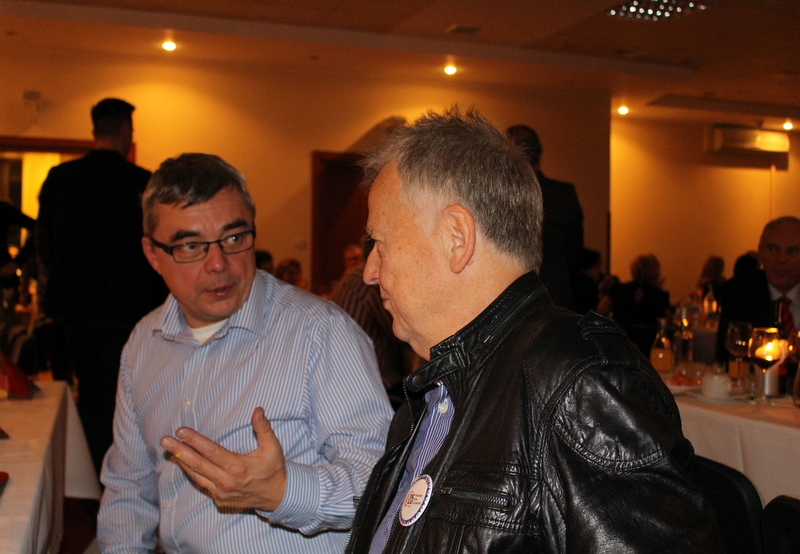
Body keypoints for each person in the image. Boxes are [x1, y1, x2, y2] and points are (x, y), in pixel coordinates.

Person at [345, 107, 721, 552]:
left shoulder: (577, 384)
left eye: (380, 242)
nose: (369, 271)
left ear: (456, 238)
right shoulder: (433, 392)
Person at [97, 153, 393, 553]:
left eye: (234, 238)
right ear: (152, 254)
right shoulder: (144, 343)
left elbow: (381, 486)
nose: (219, 264)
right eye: (190, 246)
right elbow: (129, 488)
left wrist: (284, 491)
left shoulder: (320, 332)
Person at [36, 97, 166, 473]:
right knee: (131, 395)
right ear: (126, 131)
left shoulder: (60, 179)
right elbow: (157, 249)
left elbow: (45, 243)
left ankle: (94, 477)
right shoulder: (142, 182)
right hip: (131, 310)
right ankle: (131, 473)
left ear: (94, 130)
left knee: (91, 396)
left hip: (76, 310)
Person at [331, 236, 414, 409]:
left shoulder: (349, 278)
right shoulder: (370, 281)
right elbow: (402, 332)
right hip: (375, 379)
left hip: (344, 379)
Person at [716, 217, 800, 389]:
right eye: (773, 249)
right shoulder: (739, 291)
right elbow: (728, 355)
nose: (781, 259)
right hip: (752, 392)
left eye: (792, 251)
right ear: (760, 253)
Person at [507, 124, 583, 310]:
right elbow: (575, 253)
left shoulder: (502, 194)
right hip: (556, 292)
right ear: (539, 151)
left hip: (511, 294)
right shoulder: (564, 194)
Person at [611, 254, 672, 357]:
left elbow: (601, 310)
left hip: (622, 343)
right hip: (649, 346)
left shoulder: (620, 289)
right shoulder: (659, 294)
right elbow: (668, 321)